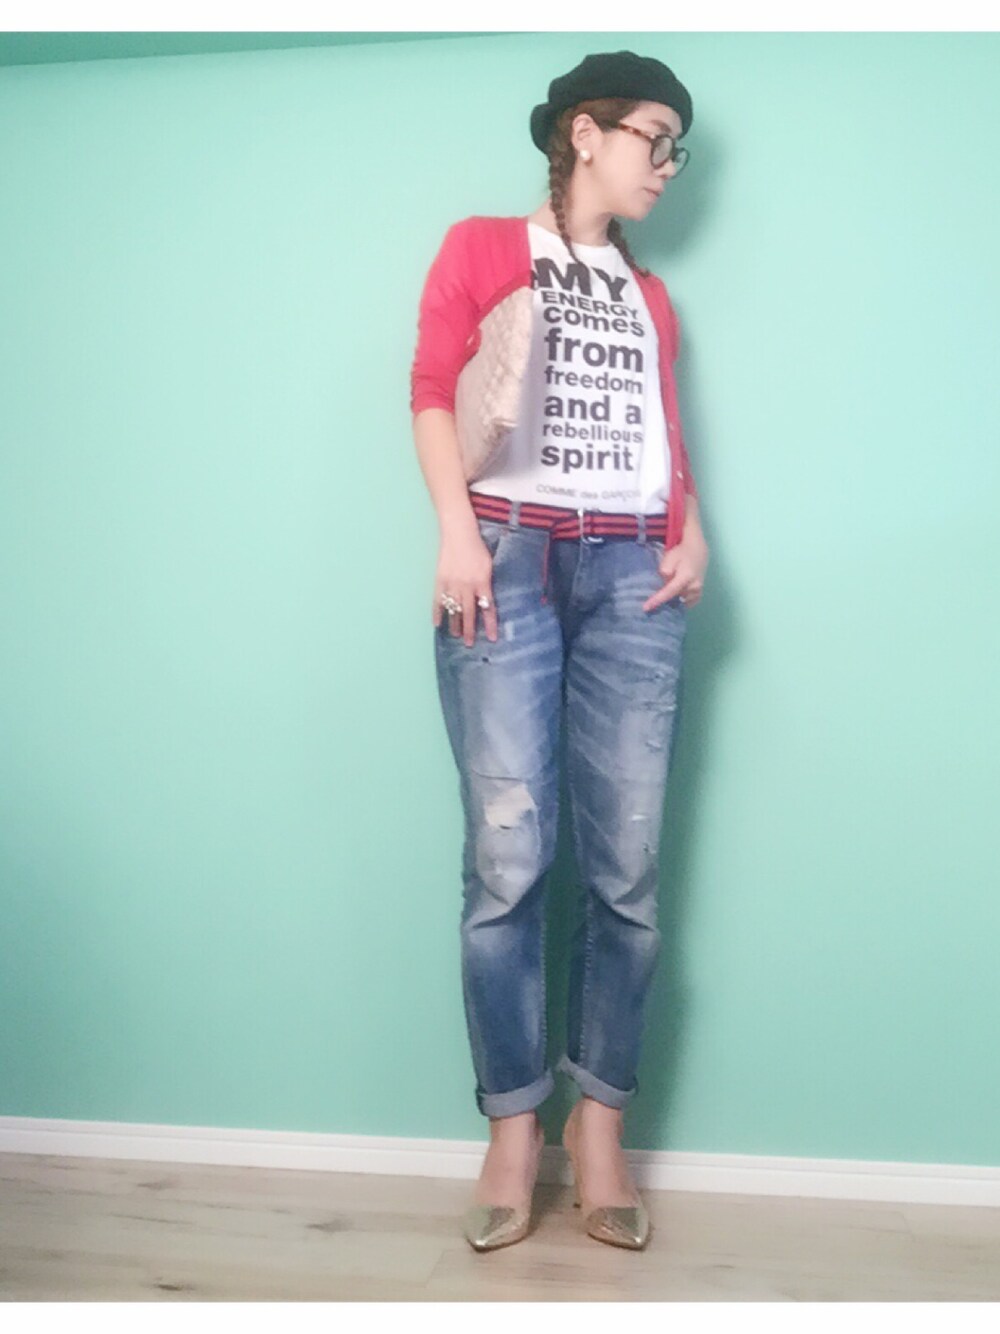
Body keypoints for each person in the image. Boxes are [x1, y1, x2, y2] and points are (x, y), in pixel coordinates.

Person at [409, 50, 709, 1253]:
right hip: (507, 555)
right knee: (508, 861)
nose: (666, 164)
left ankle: (600, 1127)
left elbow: (657, 430)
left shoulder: (651, 294)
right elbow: (432, 387)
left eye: (677, 148)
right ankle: (511, 1128)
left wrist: (692, 525)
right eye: (653, 136)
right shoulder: (484, 245)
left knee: (624, 868)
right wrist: (456, 533)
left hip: (636, 570)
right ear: (585, 132)